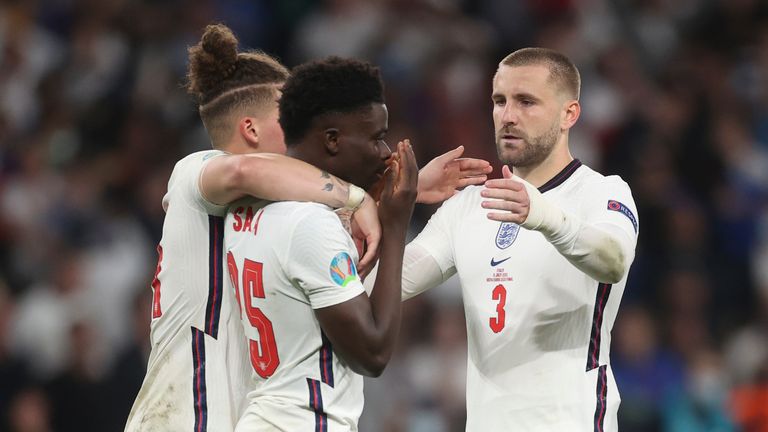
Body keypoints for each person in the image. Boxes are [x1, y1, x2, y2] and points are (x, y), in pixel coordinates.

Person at [125, 24, 490, 431]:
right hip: (182, 416)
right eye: (287, 118)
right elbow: (245, 170)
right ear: (250, 129)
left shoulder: (267, 214)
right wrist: (358, 197)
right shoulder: (195, 173)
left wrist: (405, 191)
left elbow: (352, 288)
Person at [387, 47, 639, 431]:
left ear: (569, 113)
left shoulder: (602, 193)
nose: (507, 116)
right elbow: (379, 285)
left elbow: (613, 259)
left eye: (526, 102)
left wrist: (542, 216)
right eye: (499, 101)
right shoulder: (468, 207)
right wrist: (395, 198)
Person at [225, 57, 417, 431]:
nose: (384, 152)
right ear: (332, 139)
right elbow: (372, 353)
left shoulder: (248, 207)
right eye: (376, 137)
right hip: (300, 420)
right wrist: (396, 227)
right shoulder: (312, 224)